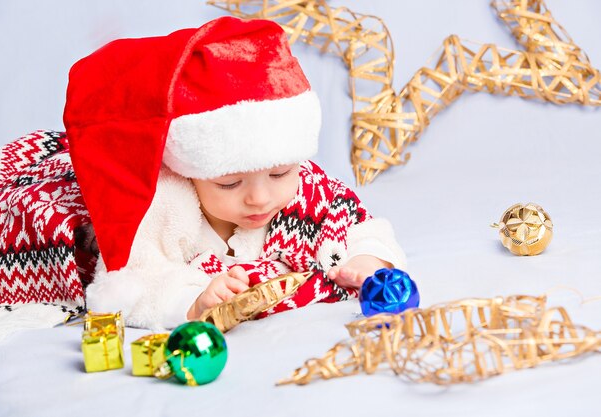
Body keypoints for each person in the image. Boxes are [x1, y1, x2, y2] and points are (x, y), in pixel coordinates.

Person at [63, 16, 406, 330]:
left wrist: (366, 259)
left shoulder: (306, 185)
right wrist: (191, 302)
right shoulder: (164, 204)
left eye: (279, 174)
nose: (259, 197)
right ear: (190, 171)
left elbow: (357, 224)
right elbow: (132, 279)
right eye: (229, 182)